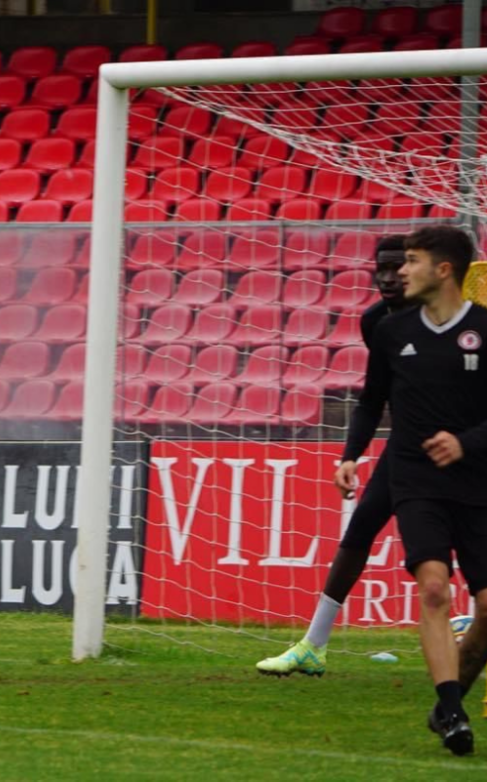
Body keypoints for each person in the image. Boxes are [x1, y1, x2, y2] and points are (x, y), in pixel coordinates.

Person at [331, 225, 487, 755]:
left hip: (478, 484)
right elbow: (372, 401)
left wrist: (466, 443)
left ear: (443, 270)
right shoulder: (391, 334)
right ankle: (455, 713)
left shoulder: (486, 331)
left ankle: (448, 703)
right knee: (435, 588)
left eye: (413, 261)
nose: (401, 271)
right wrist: (351, 454)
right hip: (415, 480)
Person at [257, 236, 413, 677]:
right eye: (379, 266)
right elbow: (374, 396)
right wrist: (351, 455)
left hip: (461, 447)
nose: (386, 276)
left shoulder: (454, 320)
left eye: (397, 266)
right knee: (361, 527)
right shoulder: (377, 322)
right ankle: (314, 644)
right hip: (405, 445)